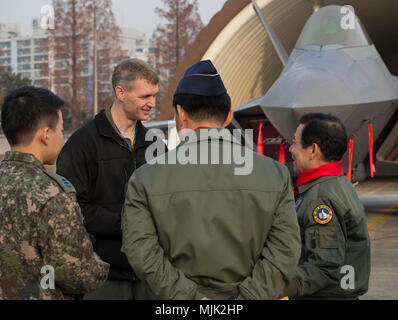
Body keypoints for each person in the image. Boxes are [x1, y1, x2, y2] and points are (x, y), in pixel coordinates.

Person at [121, 60, 301, 300]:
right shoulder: (275, 175)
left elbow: (142, 252)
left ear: (181, 113)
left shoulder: (145, 179)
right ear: (228, 115)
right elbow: (285, 249)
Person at [56, 59, 166, 300]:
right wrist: (128, 223)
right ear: (121, 92)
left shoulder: (156, 146)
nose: (153, 103)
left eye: (155, 95)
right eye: (145, 96)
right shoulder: (83, 144)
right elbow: (71, 209)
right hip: (103, 277)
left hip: (150, 275)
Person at [0, 86, 109, 300]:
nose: (62, 137)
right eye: (60, 130)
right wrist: (100, 265)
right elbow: (80, 274)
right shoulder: (52, 194)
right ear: (46, 134)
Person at [285, 113, 371, 299]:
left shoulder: (320, 197)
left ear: (313, 150)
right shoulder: (336, 182)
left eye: (295, 143)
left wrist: (270, 287)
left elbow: (323, 268)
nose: (291, 150)